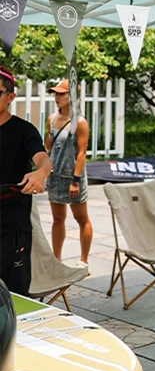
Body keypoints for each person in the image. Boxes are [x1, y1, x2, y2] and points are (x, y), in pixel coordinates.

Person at [0, 67, 53, 295]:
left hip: (12, 230)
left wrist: (40, 173)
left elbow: (43, 159)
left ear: (10, 97)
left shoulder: (23, 131)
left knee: (14, 298)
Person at [44, 79, 92, 267]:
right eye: (55, 94)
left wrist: (75, 180)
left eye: (61, 94)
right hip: (55, 175)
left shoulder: (79, 122)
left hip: (72, 176)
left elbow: (82, 153)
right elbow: (48, 147)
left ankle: (84, 260)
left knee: (81, 218)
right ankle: (56, 260)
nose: (57, 97)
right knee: (57, 219)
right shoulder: (51, 119)